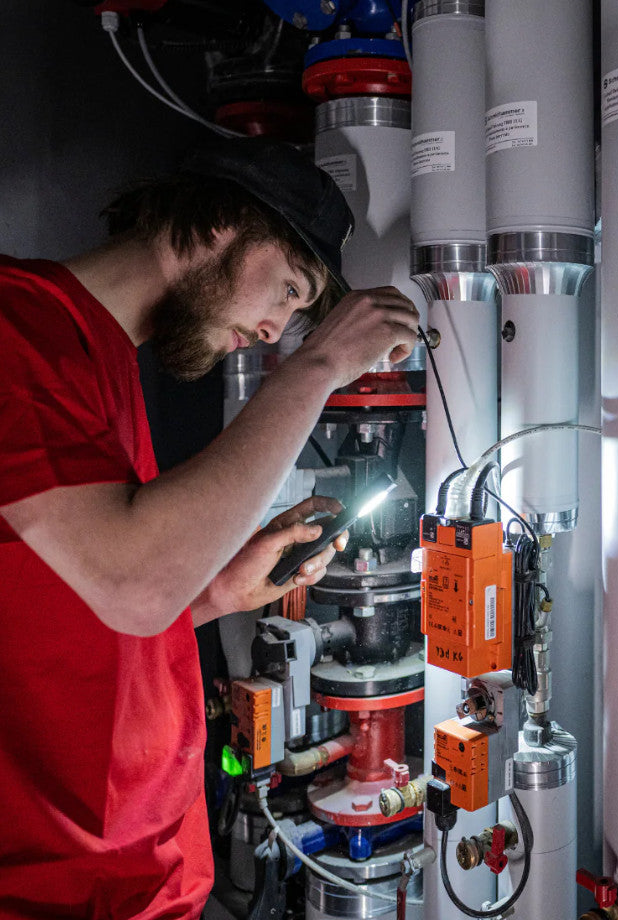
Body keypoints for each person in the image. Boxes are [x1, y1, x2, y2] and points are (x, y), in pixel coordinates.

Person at [0, 137, 421, 918]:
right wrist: (318, 365)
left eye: (296, 317)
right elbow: (131, 585)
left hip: (145, 879)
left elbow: (72, 606)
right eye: (289, 290)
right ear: (226, 219)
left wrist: (218, 591)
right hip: (48, 890)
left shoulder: (110, 362)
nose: (274, 330)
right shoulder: (17, 328)